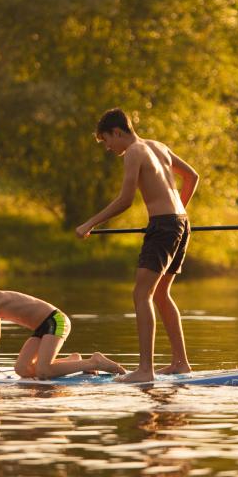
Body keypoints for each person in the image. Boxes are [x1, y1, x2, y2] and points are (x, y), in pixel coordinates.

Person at [76, 108, 199, 383]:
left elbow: (125, 200)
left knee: (141, 294)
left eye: (107, 140)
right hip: (181, 222)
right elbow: (192, 177)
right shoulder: (159, 147)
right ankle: (181, 364)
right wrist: (177, 215)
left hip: (166, 226)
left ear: (118, 132)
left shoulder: (133, 152)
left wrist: (89, 224)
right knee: (160, 294)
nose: (108, 147)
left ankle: (146, 371)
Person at [0, 271, 125, 383]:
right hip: (43, 327)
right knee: (22, 369)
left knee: (43, 371)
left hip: (55, 321)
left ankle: (95, 361)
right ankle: (74, 360)